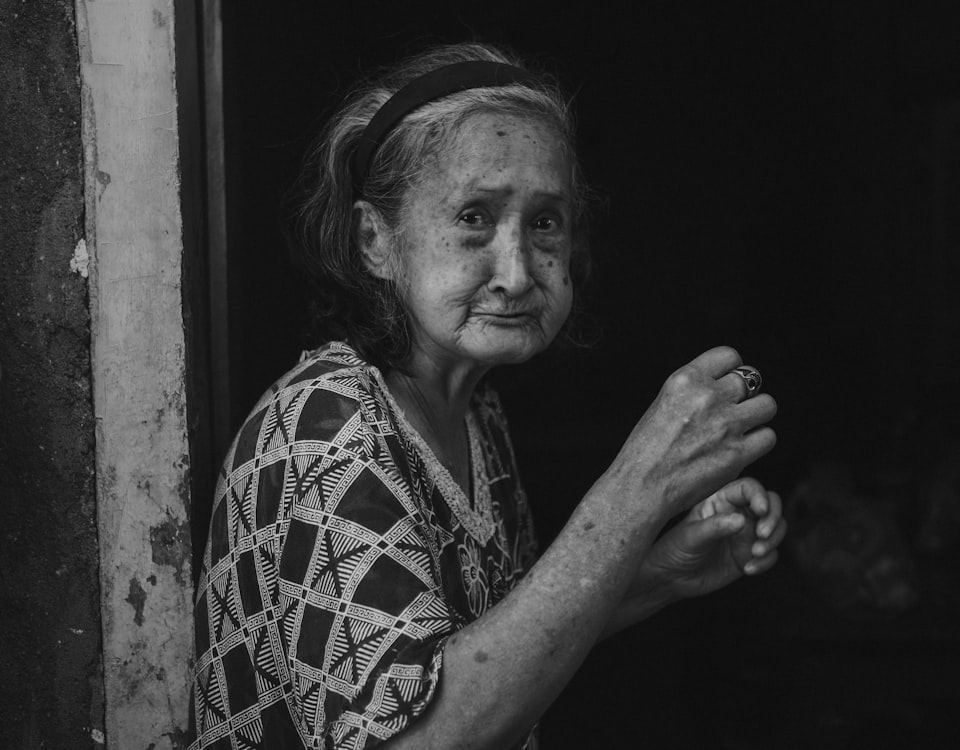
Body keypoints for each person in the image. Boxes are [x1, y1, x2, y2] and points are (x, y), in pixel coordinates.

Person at [190, 42, 785, 750]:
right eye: (474, 216)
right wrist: (639, 488)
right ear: (375, 241)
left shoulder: (472, 408)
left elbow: (488, 652)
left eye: (544, 222)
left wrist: (656, 571)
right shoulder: (326, 429)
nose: (518, 272)